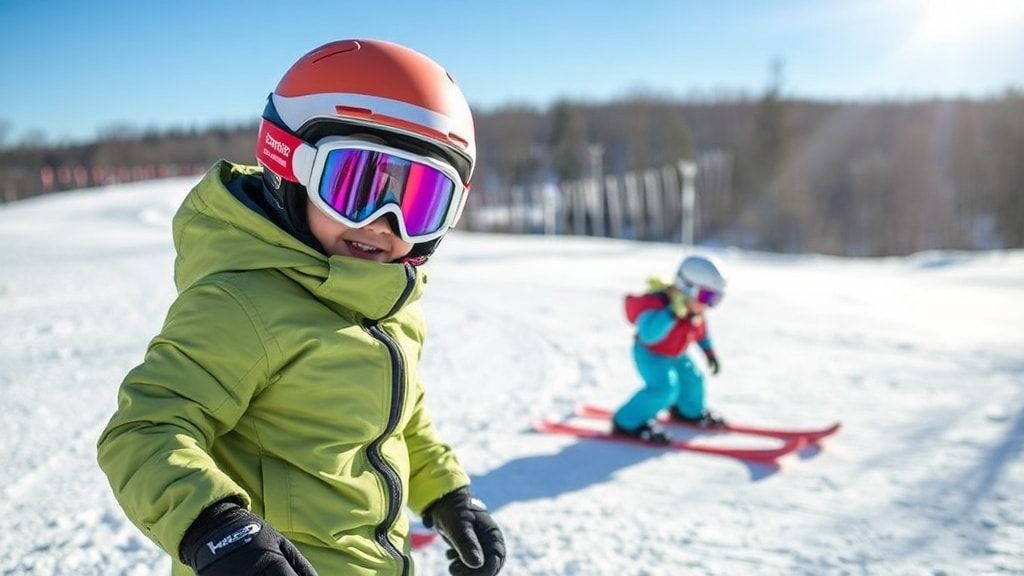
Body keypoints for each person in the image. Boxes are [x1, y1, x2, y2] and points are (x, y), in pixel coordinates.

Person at [96, 39, 505, 576]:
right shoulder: (243, 302)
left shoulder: (389, 305)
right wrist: (216, 529)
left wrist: (448, 493)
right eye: (357, 186)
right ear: (287, 165)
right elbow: (144, 429)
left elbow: (400, 416)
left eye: (421, 200)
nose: (384, 223)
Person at [611, 254, 729, 444]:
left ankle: (688, 412)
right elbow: (648, 334)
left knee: (693, 378)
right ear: (687, 287)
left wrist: (709, 352)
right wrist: (671, 314)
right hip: (651, 354)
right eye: (706, 296)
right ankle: (626, 422)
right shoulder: (658, 304)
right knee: (664, 389)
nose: (708, 305)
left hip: (676, 354)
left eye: (716, 299)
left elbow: (700, 332)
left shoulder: (694, 310)